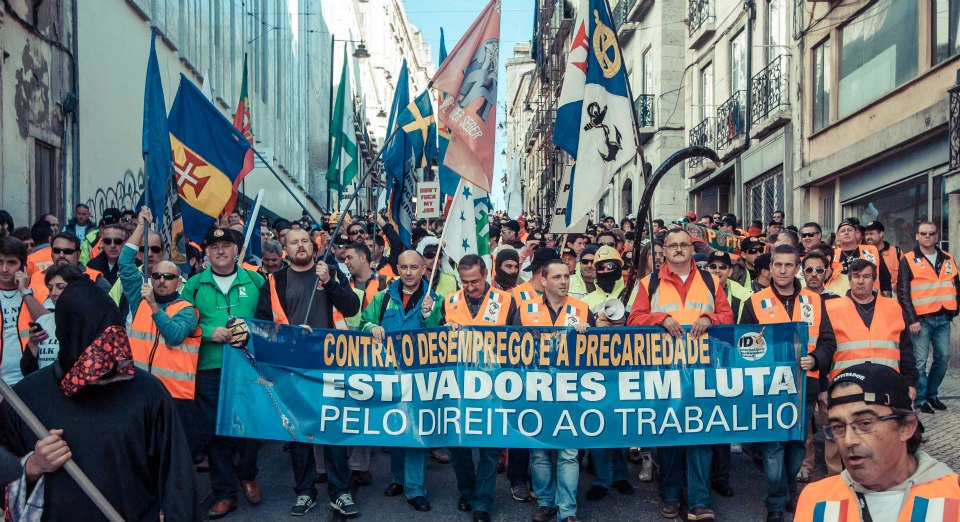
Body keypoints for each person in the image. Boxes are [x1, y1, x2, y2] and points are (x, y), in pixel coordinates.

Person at [0, 276, 198, 520]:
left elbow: (177, 477)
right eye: (98, 341)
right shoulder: (26, 398)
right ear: (67, 334)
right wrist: (32, 467)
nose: (110, 352)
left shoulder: (147, 393)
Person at [627, 227, 734, 522]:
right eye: (672, 245)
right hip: (665, 371)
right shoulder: (649, 283)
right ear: (665, 251)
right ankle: (671, 496)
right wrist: (661, 318)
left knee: (701, 436)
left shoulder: (711, 281)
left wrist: (708, 318)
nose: (677, 250)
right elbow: (634, 319)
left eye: (683, 245)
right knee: (670, 435)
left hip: (703, 372)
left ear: (691, 249)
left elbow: (728, 318)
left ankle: (699, 502)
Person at [254, 227, 361, 517]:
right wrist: (289, 333)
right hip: (293, 367)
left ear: (313, 247)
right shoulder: (274, 281)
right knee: (298, 432)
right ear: (284, 250)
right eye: (293, 242)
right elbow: (263, 323)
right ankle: (304, 491)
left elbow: (351, 308)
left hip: (331, 365)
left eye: (304, 241)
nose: (300, 246)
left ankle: (340, 491)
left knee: (333, 429)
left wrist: (330, 283)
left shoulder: (331, 273)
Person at [740, 245, 836, 521]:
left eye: (789, 265)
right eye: (778, 265)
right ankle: (775, 502)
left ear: (797, 268)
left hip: (806, 384)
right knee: (773, 445)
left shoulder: (815, 302)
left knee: (796, 443)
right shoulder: (754, 302)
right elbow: (743, 347)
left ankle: (789, 491)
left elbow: (829, 341)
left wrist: (816, 359)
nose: (783, 270)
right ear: (769, 268)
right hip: (769, 387)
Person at [795, 363, 960, 521]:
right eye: (838, 427)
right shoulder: (815, 499)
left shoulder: (954, 495)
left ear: (906, 427)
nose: (848, 441)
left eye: (865, 423)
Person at [181, 226, 265, 519]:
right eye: (214, 247)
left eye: (226, 246)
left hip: (248, 364)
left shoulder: (256, 280)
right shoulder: (193, 285)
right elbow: (180, 322)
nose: (220, 251)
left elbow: (269, 319)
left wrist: (251, 332)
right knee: (214, 430)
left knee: (251, 425)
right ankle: (225, 493)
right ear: (206, 252)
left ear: (236, 250)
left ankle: (247, 473)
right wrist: (206, 332)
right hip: (210, 367)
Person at [508, 259, 592, 522]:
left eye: (566, 276)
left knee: (568, 453)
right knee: (539, 452)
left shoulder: (582, 309)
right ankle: (545, 502)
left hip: (570, 392)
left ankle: (567, 509)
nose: (563, 282)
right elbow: (510, 348)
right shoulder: (524, 309)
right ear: (543, 281)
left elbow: (595, 353)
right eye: (556, 277)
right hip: (536, 390)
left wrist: (588, 332)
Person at [359, 250, 442, 512]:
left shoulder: (435, 299)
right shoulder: (382, 298)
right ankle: (399, 479)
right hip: (388, 374)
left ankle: (415, 489)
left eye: (413, 268)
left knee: (416, 432)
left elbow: (441, 338)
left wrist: (430, 317)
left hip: (420, 378)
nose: (408, 273)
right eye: (403, 267)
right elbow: (364, 322)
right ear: (397, 268)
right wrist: (371, 328)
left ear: (423, 269)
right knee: (394, 429)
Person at [442, 254, 515, 522]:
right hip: (459, 385)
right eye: (465, 282)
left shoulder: (506, 300)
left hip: (494, 384)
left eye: (475, 281)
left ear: (485, 274)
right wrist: (441, 327)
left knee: (490, 446)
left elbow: (519, 340)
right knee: (457, 444)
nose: (470, 287)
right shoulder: (449, 302)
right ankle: (467, 490)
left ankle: (483, 502)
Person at [896, 221, 958, 414]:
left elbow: (956, 285)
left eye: (931, 234)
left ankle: (932, 394)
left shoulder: (947, 258)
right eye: (924, 234)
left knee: (943, 358)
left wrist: (954, 310)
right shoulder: (908, 259)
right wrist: (911, 319)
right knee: (920, 361)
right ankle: (921, 398)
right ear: (917, 236)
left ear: (937, 236)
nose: (928, 237)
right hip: (921, 320)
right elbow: (903, 292)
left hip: (943, 317)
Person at [18, 264, 83, 377]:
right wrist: (32, 344)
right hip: (44, 389)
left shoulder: (86, 321)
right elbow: (27, 371)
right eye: (50, 288)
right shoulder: (43, 321)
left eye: (60, 287)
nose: (54, 293)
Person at [27, 232, 110, 304]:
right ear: (51, 253)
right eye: (56, 251)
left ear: (78, 254)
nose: (61, 255)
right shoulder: (36, 277)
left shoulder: (95, 278)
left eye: (67, 251)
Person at [827, 219, 887, 296]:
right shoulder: (832, 254)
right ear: (837, 237)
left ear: (856, 234)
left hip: (870, 297)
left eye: (850, 230)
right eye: (842, 231)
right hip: (839, 299)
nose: (846, 233)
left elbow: (884, 276)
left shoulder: (871, 250)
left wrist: (887, 296)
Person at [1, 236, 31, 385]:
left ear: (22, 266)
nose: (4, 269)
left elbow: (48, 324)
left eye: (11, 263)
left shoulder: (36, 290)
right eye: (0, 262)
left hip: (28, 379)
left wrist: (24, 291)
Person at [864, 220, 901, 294]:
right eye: (866, 234)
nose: (868, 237)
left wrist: (897, 284)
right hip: (868, 298)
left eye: (871, 234)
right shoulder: (862, 252)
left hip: (891, 298)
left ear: (881, 234)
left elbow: (905, 276)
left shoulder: (896, 252)